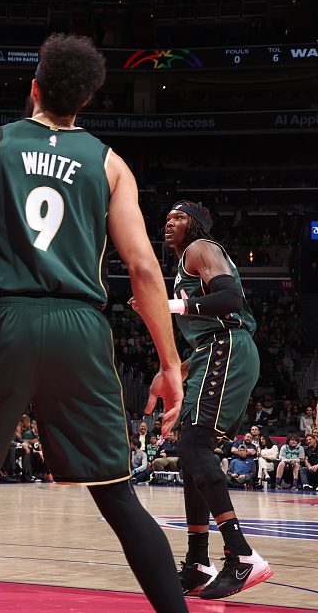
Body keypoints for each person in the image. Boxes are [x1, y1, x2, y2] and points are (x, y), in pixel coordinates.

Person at [0, 33, 189, 613]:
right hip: (81, 327)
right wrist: (170, 364)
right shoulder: (110, 164)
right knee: (120, 499)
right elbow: (144, 269)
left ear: (34, 88)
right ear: (85, 101)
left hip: (6, 322)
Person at [145, 200, 271, 597]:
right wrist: (172, 373)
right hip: (211, 351)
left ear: (195, 225)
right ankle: (199, 562)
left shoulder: (201, 249)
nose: (170, 224)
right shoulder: (185, 264)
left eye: (178, 218)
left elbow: (231, 301)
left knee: (194, 447)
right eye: (166, 219)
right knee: (190, 456)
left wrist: (167, 305)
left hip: (228, 347)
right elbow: (203, 334)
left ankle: (242, 555)